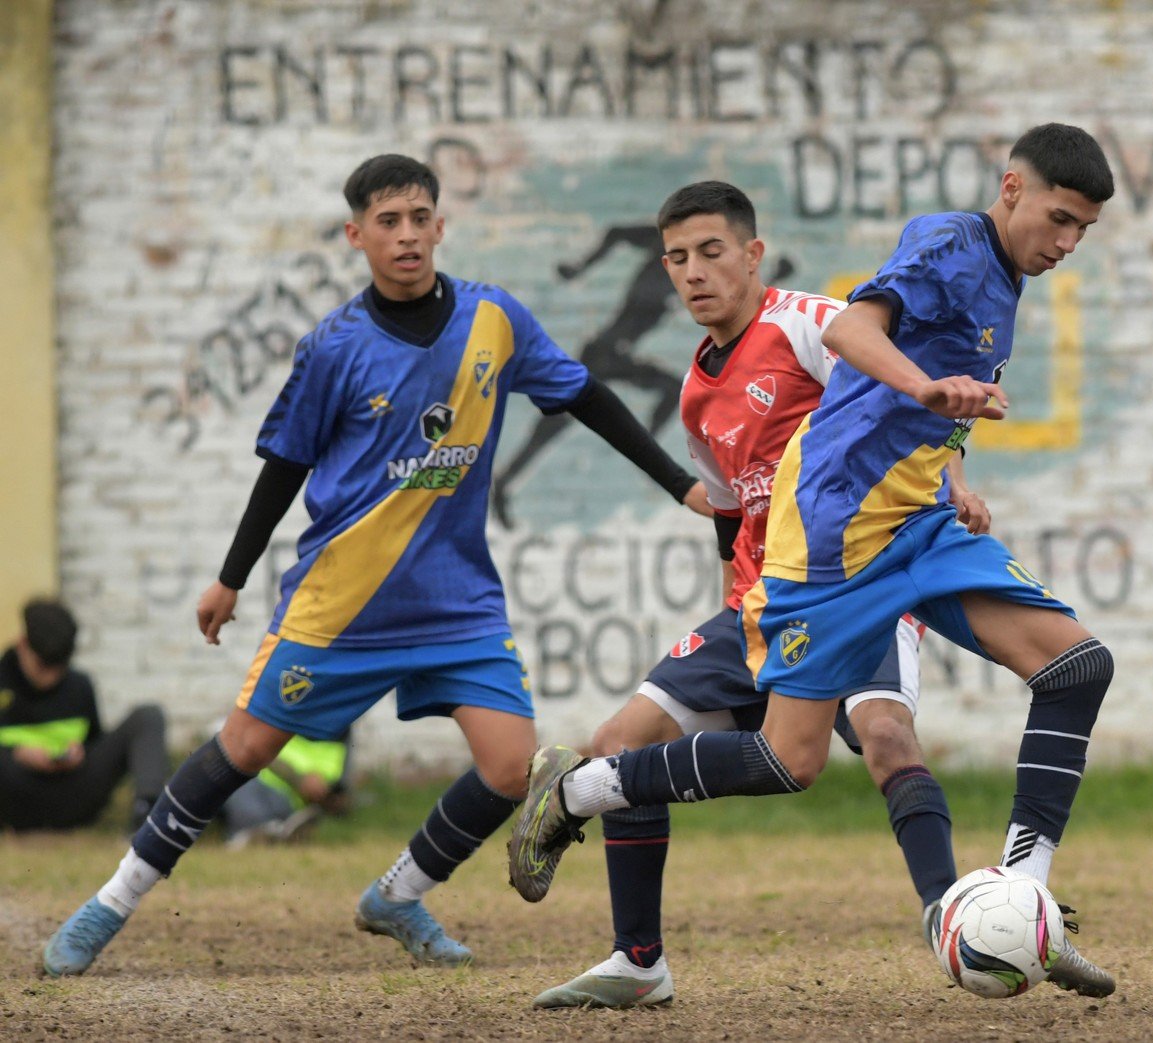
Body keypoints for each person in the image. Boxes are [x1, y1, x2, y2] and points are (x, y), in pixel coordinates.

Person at [42, 153, 710, 977]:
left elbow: (584, 396)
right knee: (244, 748)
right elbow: (283, 464)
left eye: (418, 218)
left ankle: (397, 894)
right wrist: (232, 575)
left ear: (439, 226)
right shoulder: (333, 347)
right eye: (386, 222)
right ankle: (109, 902)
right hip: (342, 602)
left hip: (455, 600)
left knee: (510, 766)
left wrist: (681, 484)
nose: (406, 236)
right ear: (357, 235)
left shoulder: (494, 319)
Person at [511, 124, 1120, 997]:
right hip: (833, 535)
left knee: (1075, 668)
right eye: (1059, 219)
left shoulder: (1009, 278)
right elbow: (854, 329)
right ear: (1012, 187)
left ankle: (1023, 896)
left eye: (1082, 231)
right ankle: (579, 790)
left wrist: (946, 462)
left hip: (913, 522)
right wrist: (926, 387)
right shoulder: (950, 241)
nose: (1065, 243)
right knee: (783, 760)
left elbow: (919, 406)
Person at [0, 599, 167, 833]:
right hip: (14, 795)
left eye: (59, 666)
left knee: (148, 716)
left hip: (71, 793)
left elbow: (94, 743)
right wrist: (17, 755)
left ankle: (147, 818)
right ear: (22, 645)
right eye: (42, 666)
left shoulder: (79, 685)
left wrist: (79, 754)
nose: (51, 677)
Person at [220, 729, 352, 848]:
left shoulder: (339, 740)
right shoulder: (278, 722)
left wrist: (323, 791)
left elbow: (339, 796)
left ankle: (263, 833)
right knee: (240, 783)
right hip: (259, 783)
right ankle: (265, 833)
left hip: (289, 800)